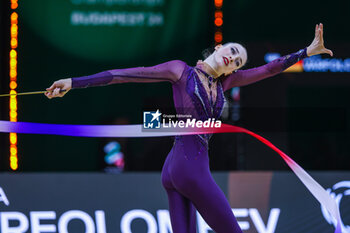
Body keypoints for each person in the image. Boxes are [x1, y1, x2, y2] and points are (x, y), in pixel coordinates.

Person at [46, 23, 333, 233]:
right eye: (232, 52)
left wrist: (307, 51)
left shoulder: (226, 83)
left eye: (237, 62)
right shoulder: (180, 71)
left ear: (232, 70)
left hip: (180, 169)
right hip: (187, 167)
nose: (232, 59)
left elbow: (269, 69)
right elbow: (124, 75)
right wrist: (74, 82)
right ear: (219, 48)